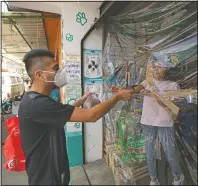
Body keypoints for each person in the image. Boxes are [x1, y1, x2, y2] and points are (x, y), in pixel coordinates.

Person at [18, 49, 132, 185]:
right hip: (47, 179)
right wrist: (117, 97)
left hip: (50, 174)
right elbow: (92, 116)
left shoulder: (36, 100)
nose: (60, 72)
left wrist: (80, 101)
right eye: (55, 69)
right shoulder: (38, 104)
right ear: (39, 75)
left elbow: (60, 112)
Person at [111, 58, 184, 185]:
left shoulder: (173, 85)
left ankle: (177, 177)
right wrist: (121, 90)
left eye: (159, 67)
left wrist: (153, 95)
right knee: (149, 152)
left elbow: (173, 107)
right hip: (148, 122)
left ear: (166, 69)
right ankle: (153, 179)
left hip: (165, 124)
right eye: (154, 67)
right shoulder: (148, 82)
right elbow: (134, 89)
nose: (155, 69)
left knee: (170, 153)